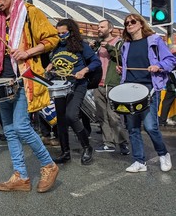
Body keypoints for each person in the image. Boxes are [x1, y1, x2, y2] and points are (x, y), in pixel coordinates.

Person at [0, 0, 59, 192]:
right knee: (9, 130)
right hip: (3, 80)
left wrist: (27, 52)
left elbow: (52, 39)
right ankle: (21, 176)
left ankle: (49, 165)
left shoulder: (31, 12)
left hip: (23, 78)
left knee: (20, 126)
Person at [118, 13, 175, 173]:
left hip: (149, 88)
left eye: (132, 21)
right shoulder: (126, 45)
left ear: (141, 24)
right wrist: (122, 70)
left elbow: (171, 60)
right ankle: (139, 161)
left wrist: (158, 66)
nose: (129, 24)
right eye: (126, 23)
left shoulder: (155, 40)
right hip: (129, 89)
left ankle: (163, 154)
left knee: (151, 127)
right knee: (133, 127)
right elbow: (128, 64)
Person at [46, 19, 101, 165]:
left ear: (71, 31)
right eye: (59, 33)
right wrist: (51, 65)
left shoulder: (81, 45)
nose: (61, 36)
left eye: (64, 33)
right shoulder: (56, 47)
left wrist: (84, 70)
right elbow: (56, 61)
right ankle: (65, 153)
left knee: (71, 116)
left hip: (77, 85)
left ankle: (87, 147)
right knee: (61, 120)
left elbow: (96, 62)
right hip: (59, 86)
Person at [92, 19, 130, 155]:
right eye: (98, 27)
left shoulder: (119, 42)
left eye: (102, 27)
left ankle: (123, 143)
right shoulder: (98, 45)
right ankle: (108, 143)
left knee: (114, 116)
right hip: (99, 84)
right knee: (102, 116)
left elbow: (121, 57)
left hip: (113, 84)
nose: (99, 29)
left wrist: (108, 47)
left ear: (110, 29)